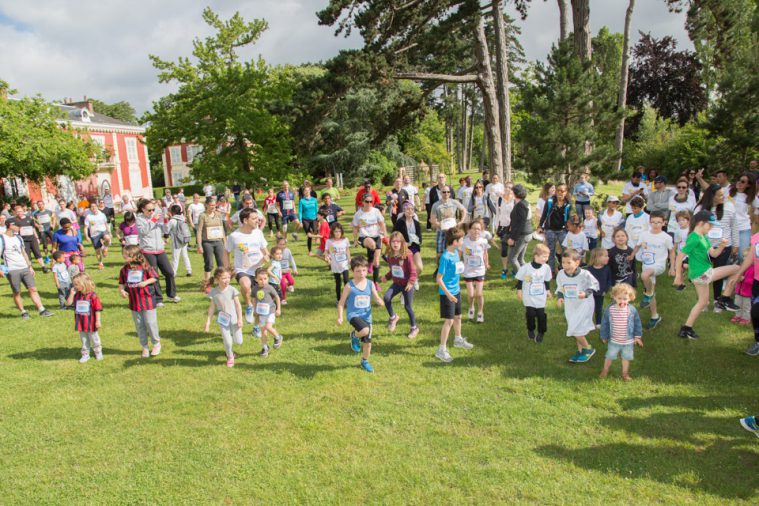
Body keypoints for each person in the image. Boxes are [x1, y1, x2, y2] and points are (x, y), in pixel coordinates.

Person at [674, 210, 741, 340]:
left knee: (702, 302)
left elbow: (714, 254)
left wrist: (721, 246)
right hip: (702, 274)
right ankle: (724, 299)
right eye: (710, 225)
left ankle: (686, 329)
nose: (712, 227)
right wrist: (678, 276)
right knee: (737, 268)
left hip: (699, 274)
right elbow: (680, 256)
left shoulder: (704, 237)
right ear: (700, 223)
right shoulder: (694, 237)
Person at [695, 184, 740, 310]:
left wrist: (736, 245)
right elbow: (694, 228)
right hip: (704, 247)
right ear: (711, 197)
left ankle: (717, 300)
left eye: (723, 193)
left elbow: (734, 227)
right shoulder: (700, 209)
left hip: (724, 247)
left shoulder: (729, 207)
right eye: (720, 195)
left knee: (719, 273)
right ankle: (702, 301)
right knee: (702, 274)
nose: (723, 196)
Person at [337, 255, 385, 373]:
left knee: (368, 343)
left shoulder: (370, 284)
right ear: (352, 271)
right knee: (364, 331)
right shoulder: (349, 286)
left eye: (364, 270)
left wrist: (380, 301)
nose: (362, 273)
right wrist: (340, 317)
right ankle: (354, 335)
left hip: (367, 317)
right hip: (353, 315)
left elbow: (376, 297)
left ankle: (364, 361)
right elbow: (341, 303)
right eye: (358, 271)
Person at [0, 219, 54, 319]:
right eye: (17, 225)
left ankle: (42, 309)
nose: (19, 227)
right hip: (12, 270)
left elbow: (24, 253)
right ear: (10, 226)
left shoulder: (18, 238)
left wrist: (30, 266)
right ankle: (23, 312)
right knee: (17, 292)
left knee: (33, 289)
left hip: (24, 267)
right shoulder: (2, 239)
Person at [435, 226, 474, 363]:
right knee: (449, 321)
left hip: (456, 290)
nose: (463, 241)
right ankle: (441, 349)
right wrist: (449, 295)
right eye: (461, 239)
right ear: (455, 241)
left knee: (458, 317)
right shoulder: (445, 257)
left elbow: (456, 269)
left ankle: (458, 339)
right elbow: (439, 278)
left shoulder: (456, 253)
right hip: (447, 294)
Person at [225, 208, 269, 325]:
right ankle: (248, 305)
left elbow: (265, 250)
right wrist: (227, 268)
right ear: (245, 220)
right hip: (242, 269)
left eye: (258, 218)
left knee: (261, 298)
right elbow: (226, 251)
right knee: (245, 285)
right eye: (254, 219)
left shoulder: (258, 233)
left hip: (258, 267)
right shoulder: (234, 236)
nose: (258, 221)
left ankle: (258, 326)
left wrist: (266, 256)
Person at [556, 248, 599, 363]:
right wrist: (560, 297)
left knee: (575, 329)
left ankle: (588, 349)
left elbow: (595, 285)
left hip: (584, 304)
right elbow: (560, 287)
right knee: (575, 327)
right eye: (563, 262)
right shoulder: (561, 274)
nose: (565, 265)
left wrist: (585, 293)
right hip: (570, 305)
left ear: (577, 262)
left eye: (568, 262)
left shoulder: (584, 274)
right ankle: (580, 352)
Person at [633, 211, 674, 329]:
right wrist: (631, 255)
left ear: (664, 223)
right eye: (653, 222)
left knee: (644, 276)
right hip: (647, 264)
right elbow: (638, 246)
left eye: (659, 222)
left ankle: (648, 294)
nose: (656, 224)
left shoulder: (666, 237)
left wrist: (672, 267)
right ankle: (655, 316)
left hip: (659, 265)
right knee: (650, 287)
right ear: (649, 222)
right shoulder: (644, 234)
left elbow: (671, 251)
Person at [118, 245, 161, 357]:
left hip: (147, 300)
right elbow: (121, 283)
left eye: (126, 254)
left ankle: (156, 344)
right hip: (134, 302)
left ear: (134, 255)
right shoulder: (124, 269)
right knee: (139, 325)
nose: (124, 256)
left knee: (150, 323)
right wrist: (122, 291)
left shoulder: (145, 266)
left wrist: (145, 283)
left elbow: (155, 277)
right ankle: (145, 347)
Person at [136, 199, 179, 304]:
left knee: (169, 272)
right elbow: (143, 231)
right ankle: (158, 299)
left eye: (153, 210)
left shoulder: (156, 216)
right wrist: (153, 220)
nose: (151, 212)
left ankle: (172, 295)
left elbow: (165, 230)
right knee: (154, 275)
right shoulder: (139, 219)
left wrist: (165, 221)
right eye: (149, 210)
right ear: (143, 210)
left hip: (160, 249)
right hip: (147, 250)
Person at [599, 283, 643, 381]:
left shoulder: (632, 310)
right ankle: (605, 370)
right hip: (614, 340)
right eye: (619, 298)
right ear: (614, 297)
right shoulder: (610, 309)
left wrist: (637, 336)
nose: (622, 301)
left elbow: (637, 323)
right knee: (609, 356)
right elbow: (605, 323)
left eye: (625, 299)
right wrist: (604, 335)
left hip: (628, 342)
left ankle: (625, 373)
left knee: (626, 358)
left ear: (630, 298)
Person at [203, 267, 244, 367]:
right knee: (228, 341)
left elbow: (238, 306)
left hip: (234, 320)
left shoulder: (232, 290)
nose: (227, 280)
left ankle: (230, 346)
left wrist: (240, 319)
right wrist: (208, 322)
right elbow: (212, 308)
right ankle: (230, 356)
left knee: (238, 341)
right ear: (217, 279)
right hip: (223, 320)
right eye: (224, 278)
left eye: (228, 277)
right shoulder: (214, 292)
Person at [383, 232, 419, 338]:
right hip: (397, 283)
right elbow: (393, 270)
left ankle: (414, 328)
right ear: (390, 243)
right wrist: (386, 276)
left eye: (398, 241)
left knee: (408, 307)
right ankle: (393, 317)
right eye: (393, 241)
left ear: (402, 243)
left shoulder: (407, 255)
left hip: (407, 285)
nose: (395, 244)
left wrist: (411, 282)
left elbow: (413, 271)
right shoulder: (390, 256)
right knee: (386, 298)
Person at [515, 243, 552, 343]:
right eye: (544, 256)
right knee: (530, 314)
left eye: (547, 257)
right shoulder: (526, 268)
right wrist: (519, 291)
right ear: (536, 256)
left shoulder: (546, 268)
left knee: (541, 315)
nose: (546, 259)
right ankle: (530, 329)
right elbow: (520, 280)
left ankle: (541, 332)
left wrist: (548, 291)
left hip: (540, 297)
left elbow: (546, 280)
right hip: (529, 296)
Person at [66, 272, 104, 363]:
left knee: (94, 338)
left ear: (83, 284)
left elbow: (97, 309)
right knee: (84, 339)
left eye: (76, 284)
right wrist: (71, 294)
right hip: (81, 323)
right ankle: (85, 354)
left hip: (91, 323)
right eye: (73, 284)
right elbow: (68, 303)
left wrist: (98, 321)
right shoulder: (77, 295)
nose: (74, 286)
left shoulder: (92, 296)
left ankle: (98, 352)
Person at [430, 185, 467, 274]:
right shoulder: (436, 205)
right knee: (439, 252)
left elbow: (464, 210)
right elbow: (433, 219)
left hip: (453, 231)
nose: (446, 193)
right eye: (444, 192)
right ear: (440, 193)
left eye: (448, 192)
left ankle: (454, 267)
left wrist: (461, 221)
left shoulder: (454, 202)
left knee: (455, 250)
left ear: (450, 193)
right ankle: (438, 269)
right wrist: (441, 225)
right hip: (441, 231)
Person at [352, 193, 387, 287]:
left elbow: (382, 223)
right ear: (363, 202)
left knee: (377, 261)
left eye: (371, 201)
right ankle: (370, 262)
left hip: (377, 235)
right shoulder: (358, 214)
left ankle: (375, 282)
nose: (369, 203)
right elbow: (355, 227)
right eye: (367, 201)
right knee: (372, 245)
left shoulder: (376, 211)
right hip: (364, 236)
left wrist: (385, 235)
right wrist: (355, 240)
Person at [537, 183, 571, 273]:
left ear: (566, 192)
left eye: (562, 191)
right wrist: (540, 226)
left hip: (562, 230)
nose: (560, 193)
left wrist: (570, 228)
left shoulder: (568, 204)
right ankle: (551, 272)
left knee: (565, 251)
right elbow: (544, 214)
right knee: (551, 251)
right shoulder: (550, 201)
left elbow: (569, 218)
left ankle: (565, 270)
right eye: (558, 190)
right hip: (550, 230)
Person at [461, 219, 490, 323]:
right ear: (469, 230)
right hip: (468, 271)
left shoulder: (483, 241)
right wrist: (458, 265)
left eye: (478, 229)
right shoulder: (464, 242)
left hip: (480, 270)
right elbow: (459, 255)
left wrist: (486, 263)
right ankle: (471, 307)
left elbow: (485, 253)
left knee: (479, 294)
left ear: (481, 230)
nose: (476, 231)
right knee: (471, 294)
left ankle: (480, 312)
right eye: (473, 228)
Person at [504, 184, 533, 280]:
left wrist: (513, 238)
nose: (510, 192)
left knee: (512, 258)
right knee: (520, 259)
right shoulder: (521, 203)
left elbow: (521, 223)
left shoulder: (521, 205)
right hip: (525, 234)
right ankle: (529, 276)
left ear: (516, 193)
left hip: (523, 235)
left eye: (512, 191)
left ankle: (522, 280)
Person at [196, 197, 226, 282]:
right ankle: (207, 282)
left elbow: (222, 229)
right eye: (211, 205)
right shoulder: (203, 216)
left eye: (214, 205)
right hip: (207, 243)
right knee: (209, 264)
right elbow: (199, 231)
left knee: (221, 263)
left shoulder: (218, 215)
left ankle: (221, 281)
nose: (213, 207)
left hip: (218, 241)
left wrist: (225, 242)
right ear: (206, 205)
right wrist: (199, 245)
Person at [8, 204, 46, 272]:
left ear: (23, 211)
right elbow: (12, 229)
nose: (19, 213)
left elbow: (33, 228)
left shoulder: (29, 218)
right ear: (15, 212)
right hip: (23, 240)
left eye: (20, 211)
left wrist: (37, 238)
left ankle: (43, 267)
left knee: (37, 253)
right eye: (17, 212)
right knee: (27, 255)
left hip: (32, 239)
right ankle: (30, 268)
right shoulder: (14, 220)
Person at [393, 202, 423, 283]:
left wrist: (416, 240)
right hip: (403, 248)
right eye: (407, 209)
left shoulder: (416, 223)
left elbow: (420, 238)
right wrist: (403, 243)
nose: (410, 211)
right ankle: (405, 283)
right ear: (404, 211)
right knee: (404, 269)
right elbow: (394, 235)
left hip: (413, 247)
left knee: (419, 267)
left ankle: (414, 279)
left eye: (412, 209)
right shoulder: (400, 222)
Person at [729, 173, 755, 262]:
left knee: (741, 256)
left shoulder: (751, 197)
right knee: (728, 255)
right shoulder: (728, 193)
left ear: (748, 185)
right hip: (729, 228)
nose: (739, 183)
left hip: (743, 229)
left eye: (743, 181)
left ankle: (740, 273)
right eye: (739, 180)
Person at [325, 223, 351, 303]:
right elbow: (326, 251)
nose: (337, 233)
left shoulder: (345, 240)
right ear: (332, 232)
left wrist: (349, 258)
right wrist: (327, 257)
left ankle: (348, 298)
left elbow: (347, 250)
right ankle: (339, 299)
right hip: (335, 265)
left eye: (339, 231)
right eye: (336, 231)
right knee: (338, 282)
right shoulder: (329, 241)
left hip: (344, 264)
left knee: (346, 281)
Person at [587, 247, 611, 328]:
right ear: (597, 257)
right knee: (589, 307)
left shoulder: (607, 269)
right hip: (590, 292)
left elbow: (609, 280)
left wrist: (605, 290)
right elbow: (586, 281)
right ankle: (588, 322)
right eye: (605, 256)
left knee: (598, 308)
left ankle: (598, 322)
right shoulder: (589, 269)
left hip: (601, 292)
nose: (608, 258)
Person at [84, 202, 111, 270]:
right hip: (94, 234)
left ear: (97, 207)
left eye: (95, 206)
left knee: (107, 238)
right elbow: (85, 227)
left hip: (103, 231)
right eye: (92, 207)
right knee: (97, 251)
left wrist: (109, 232)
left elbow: (106, 224)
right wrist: (86, 236)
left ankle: (105, 248)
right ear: (90, 209)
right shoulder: (88, 216)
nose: (94, 208)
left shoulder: (102, 214)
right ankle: (100, 263)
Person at [168, 205, 192, 277]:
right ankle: (189, 270)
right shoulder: (183, 218)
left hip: (176, 241)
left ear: (172, 212)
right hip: (184, 240)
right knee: (185, 256)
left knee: (175, 258)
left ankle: (173, 273)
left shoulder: (172, 221)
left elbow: (166, 230)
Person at [299, 185, 319, 256]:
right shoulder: (302, 201)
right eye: (305, 190)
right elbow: (300, 211)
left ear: (310, 191)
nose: (307, 192)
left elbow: (316, 209)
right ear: (304, 192)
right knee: (309, 235)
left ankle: (318, 241)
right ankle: (310, 251)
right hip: (305, 220)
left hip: (314, 218)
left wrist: (318, 219)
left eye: (308, 190)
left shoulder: (314, 200)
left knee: (315, 231)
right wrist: (300, 221)